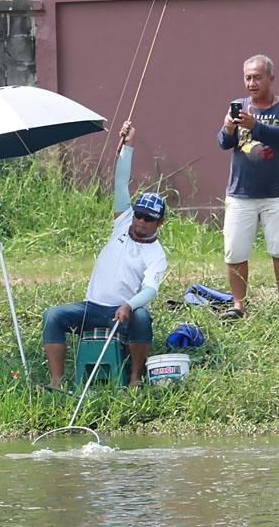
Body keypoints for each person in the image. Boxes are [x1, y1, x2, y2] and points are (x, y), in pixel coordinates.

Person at [42, 121, 168, 388]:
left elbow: (151, 290)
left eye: (149, 219)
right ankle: (56, 381)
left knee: (143, 317)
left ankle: (135, 378)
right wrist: (128, 146)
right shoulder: (122, 221)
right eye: (139, 215)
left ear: (160, 223)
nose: (141, 222)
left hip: (121, 313)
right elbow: (121, 181)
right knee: (53, 315)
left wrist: (129, 306)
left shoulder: (156, 254)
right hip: (91, 307)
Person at [218, 54, 279, 319]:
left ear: (271, 79)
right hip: (240, 193)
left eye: (257, 77)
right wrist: (229, 129)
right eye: (248, 77)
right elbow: (223, 144)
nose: (252, 83)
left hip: (276, 194)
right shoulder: (239, 106)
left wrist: (257, 126)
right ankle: (239, 305)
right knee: (235, 250)